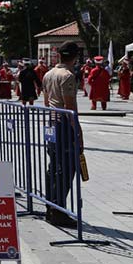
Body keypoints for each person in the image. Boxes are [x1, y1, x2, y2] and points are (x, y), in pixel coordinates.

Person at [42, 42, 84, 228]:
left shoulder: (48, 74)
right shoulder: (67, 76)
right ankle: (58, 210)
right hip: (63, 124)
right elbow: (70, 107)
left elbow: (45, 101)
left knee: (54, 167)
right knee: (66, 169)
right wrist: (78, 132)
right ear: (75, 57)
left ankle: (50, 207)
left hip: (50, 123)